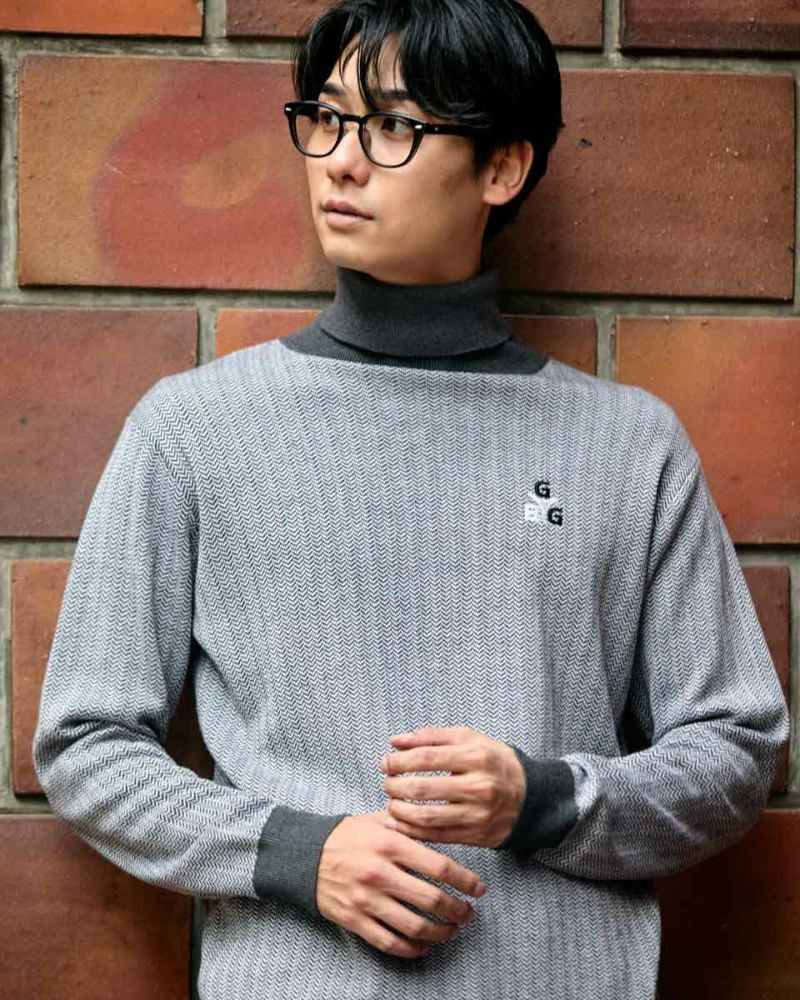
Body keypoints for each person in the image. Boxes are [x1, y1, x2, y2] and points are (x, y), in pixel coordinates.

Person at [32, 2, 789, 998]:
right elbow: (85, 743)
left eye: (392, 125)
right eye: (327, 118)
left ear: (501, 167)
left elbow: (737, 747)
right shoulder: (195, 429)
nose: (340, 163)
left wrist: (546, 799)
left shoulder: (628, 445)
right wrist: (295, 852)